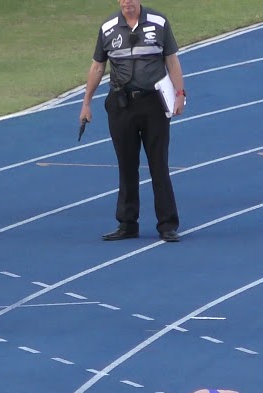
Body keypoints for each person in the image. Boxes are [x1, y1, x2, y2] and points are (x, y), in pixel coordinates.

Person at [79, 0, 185, 243]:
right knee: (126, 165)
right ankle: (127, 223)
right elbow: (97, 66)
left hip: (154, 104)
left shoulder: (159, 22)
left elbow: (171, 60)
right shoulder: (108, 28)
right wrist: (86, 102)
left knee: (158, 163)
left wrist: (180, 94)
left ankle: (167, 225)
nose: (127, 2)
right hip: (121, 104)